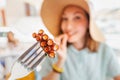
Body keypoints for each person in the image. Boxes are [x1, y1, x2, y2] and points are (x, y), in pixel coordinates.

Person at [39, 0, 120, 80]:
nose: (68, 27)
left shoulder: (104, 50)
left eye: (77, 17)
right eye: (65, 18)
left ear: (88, 23)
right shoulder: (54, 52)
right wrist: (60, 61)